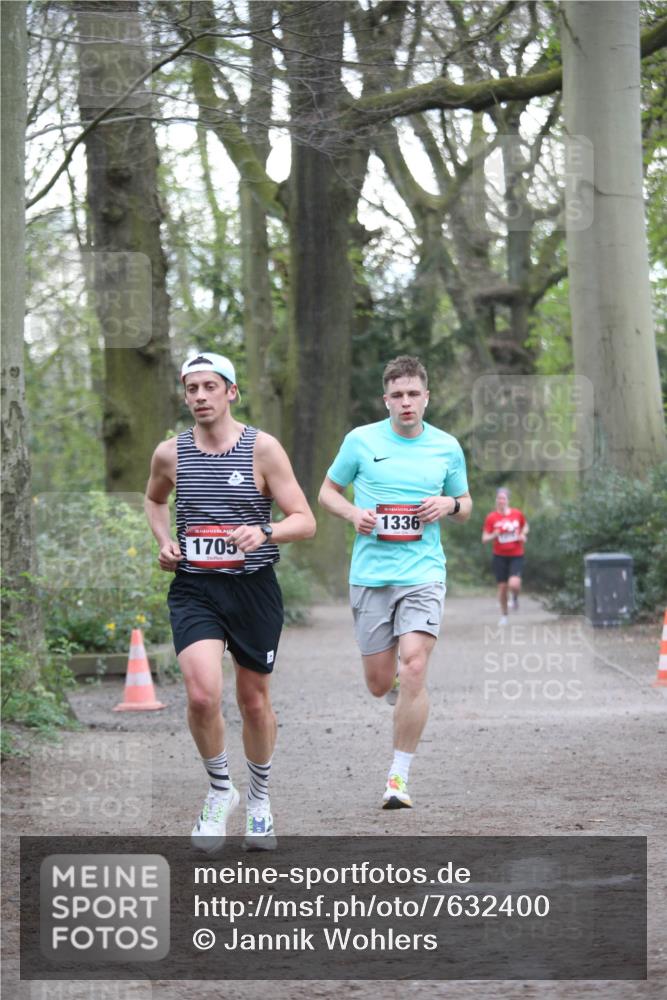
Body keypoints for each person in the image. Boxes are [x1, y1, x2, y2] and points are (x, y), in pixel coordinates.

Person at [145, 352, 316, 853]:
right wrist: (163, 541)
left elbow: (304, 519)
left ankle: (260, 801)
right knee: (201, 695)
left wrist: (266, 531)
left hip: (253, 589)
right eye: (191, 388)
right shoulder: (169, 454)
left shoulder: (262, 449)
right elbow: (155, 499)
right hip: (195, 588)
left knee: (253, 701)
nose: (199, 396)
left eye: (209, 387)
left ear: (231, 392)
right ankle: (221, 791)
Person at [318, 355, 472, 810]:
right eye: (398, 395)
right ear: (386, 400)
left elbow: (466, 503)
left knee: (415, 667)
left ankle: (398, 779)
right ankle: (397, 692)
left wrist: (448, 505)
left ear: (427, 397)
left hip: (423, 573)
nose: (406, 403)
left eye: (414, 394)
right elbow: (327, 493)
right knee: (379, 681)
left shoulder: (446, 447)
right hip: (370, 576)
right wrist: (353, 514)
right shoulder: (360, 441)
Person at [481, 487, 529, 625]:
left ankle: (514, 597)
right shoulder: (491, 517)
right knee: (502, 588)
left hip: (516, 554)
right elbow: (484, 538)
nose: (501, 501)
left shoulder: (517, 514)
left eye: (504, 498)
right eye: (499, 498)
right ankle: (504, 615)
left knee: (514, 584)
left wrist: (523, 534)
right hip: (499, 556)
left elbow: (525, 526)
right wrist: (494, 535)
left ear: (508, 500)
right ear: (496, 500)